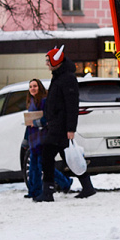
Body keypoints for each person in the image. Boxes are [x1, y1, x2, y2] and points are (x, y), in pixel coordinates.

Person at [33, 45, 96, 202]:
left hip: (60, 127)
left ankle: (48, 191)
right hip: (56, 125)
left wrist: (70, 128)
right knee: (70, 157)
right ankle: (87, 187)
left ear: (56, 61)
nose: (46, 63)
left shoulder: (67, 78)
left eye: (48, 61)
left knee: (47, 155)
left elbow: (71, 104)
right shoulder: (59, 76)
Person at [23, 79, 73, 199]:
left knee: (42, 164)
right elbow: (28, 123)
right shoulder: (31, 102)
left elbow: (48, 118)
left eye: (35, 86)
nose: (32, 88)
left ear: (39, 87)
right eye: (30, 87)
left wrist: (35, 123)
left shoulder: (45, 101)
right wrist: (26, 139)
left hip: (44, 137)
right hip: (33, 138)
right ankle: (34, 191)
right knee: (34, 166)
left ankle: (65, 182)